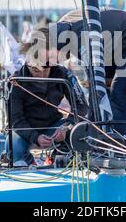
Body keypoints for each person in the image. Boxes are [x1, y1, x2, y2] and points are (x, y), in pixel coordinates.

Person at [51, 7, 126, 139]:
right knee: (99, 93)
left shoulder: (79, 40)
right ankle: (102, 136)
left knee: (118, 94)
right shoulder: (70, 32)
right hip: (112, 42)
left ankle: (121, 141)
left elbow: (94, 83)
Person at [7, 28, 89, 165]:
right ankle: (28, 164)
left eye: (45, 69)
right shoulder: (15, 81)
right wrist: (35, 137)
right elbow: (15, 120)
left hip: (54, 125)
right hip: (25, 129)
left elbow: (81, 106)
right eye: (35, 69)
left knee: (78, 132)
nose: (41, 73)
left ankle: (58, 159)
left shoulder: (63, 74)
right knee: (13, 149)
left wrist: (67, 126)